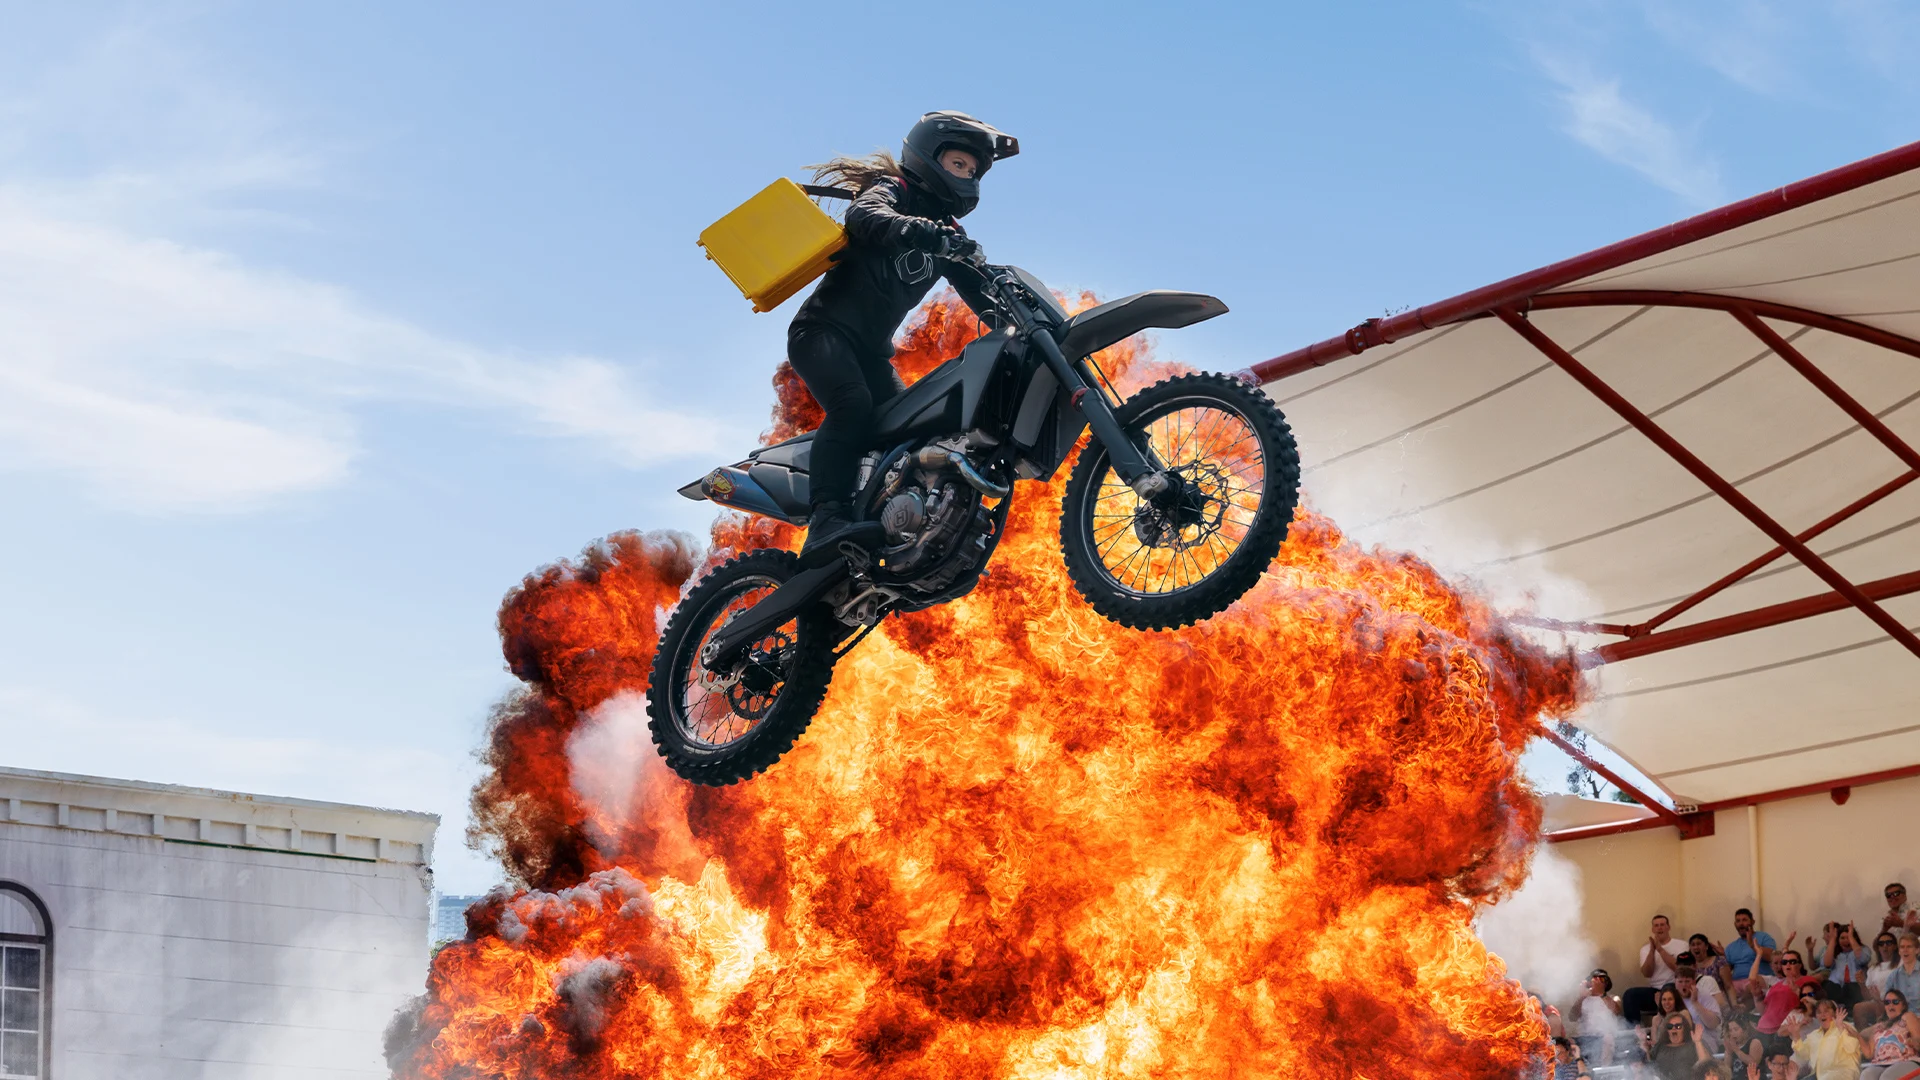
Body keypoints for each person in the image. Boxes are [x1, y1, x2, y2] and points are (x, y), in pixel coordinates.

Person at [786, 111, 1016, 565]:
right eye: (958, 164)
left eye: (973, 171)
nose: (967, 176)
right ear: (928, 156)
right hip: (822, 333)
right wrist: (917, 229)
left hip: (872, 353)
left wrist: (1014, 314)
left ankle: (885, 517)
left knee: (907, 428)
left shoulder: (950, 234)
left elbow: (980, 294)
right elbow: (864, 215)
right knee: (851, 406)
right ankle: (826, 519)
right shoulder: (898, 192)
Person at [1785, 999, 1862, 1080]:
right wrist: (1796, 1035)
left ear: (1834, 1013)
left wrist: (1841, 1029)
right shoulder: (1814, 1035)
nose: (1822, 1015)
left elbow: (1852, 1048)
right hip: (1820, 1076)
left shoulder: (1846, 1026)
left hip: (1844, 1075)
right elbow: (1803, 1055)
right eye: (1819, 1012)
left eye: (1826, 1011)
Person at [1859, 988, 1920, 1080]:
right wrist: (1854, 1033)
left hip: (1906, 1060)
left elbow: (1918, 1040)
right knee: (1866, 1075)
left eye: (1895, 1002)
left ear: (1903, 1005)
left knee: (1886, 1077)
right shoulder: (1879, 1025)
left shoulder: (1908, 1016)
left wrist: (1913, 1042)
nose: (1891, 1005)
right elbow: (1865, 1040)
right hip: (1880, 1063)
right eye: (1887, 1002)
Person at [1577, 968, 1626, 1065]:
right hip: (1587, 1037)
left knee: (1608, 1039)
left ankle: (1604, 1072)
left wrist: (1601, 994)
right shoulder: (1584, 1000)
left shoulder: (1613, 998)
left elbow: (1616, 1010)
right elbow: (1573, 1017)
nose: (1599, 982)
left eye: (1602, 980)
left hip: (1605, 1036)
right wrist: (1581, 998)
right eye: (1595, 979)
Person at [1647, 1010, 1711, 1080]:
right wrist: (1645, 1048)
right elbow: (1649, 1065)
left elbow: (1706, 1066)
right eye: (1670, 1026)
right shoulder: (1660, 1046)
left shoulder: (1693, 1044)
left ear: (1684, 1028)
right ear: (1667, 1030)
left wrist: (1698, 1042)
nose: (1673, 1028)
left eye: (1678, 1026)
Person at [1762, 953, 1814, 1034]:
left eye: (1792, 962)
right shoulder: (1775, 986)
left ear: (1799, 965)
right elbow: (1765, 1008)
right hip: (1766, 1026)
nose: (1788, 965)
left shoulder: (1807, 981)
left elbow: (1811, 1004)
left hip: (1787, 1026)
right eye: (1784, 962)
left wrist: (1797, 992)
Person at [1678, 966, 1726, 1051]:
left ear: (1693, 982)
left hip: (1706, 1040)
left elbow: (1713, 1024)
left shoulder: (1705, 996)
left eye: (1687, 981)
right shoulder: (1672, 998)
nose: (1683, 985)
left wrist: (1695, 1002)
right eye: (1680, 981)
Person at [1829, 923, 1874, 1011]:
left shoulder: (1863, 949)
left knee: (1850, 987)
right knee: (1829, 986)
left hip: (1855, 988)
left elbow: (1863, 959)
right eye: (1842, 938)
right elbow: (1826, 963)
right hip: (1838, 988)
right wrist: (1832, 939)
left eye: (1848, 937)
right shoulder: (1836, 953)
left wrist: (1851, 938)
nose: (1846, 941)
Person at [1862, 934, 1903, 1026]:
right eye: (1881, 943)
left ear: (1895, 946)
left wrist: (1906, 927)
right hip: (1876, 1002)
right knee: (1859, 1007)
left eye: (1888, 943)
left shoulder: (1901, 963)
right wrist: (1861, 983)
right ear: (1878, 948)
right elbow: (1867, 997)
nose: (1885, 946)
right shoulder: (1873, 968)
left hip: (1895, 1002)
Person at [1727, 1015, 1769, 1079]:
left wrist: (1736, 1050)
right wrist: (1729, 1052)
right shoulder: (1732, 1045)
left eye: (1736, 1029)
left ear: (1744, 1030)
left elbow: (1753, 1064)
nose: (1733, 1033)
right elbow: (1726, 1068)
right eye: (1730, 1030)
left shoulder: (1754, 1042)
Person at [1888, 936, 1920, 1009]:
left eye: (1909, 947)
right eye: (1902, 947)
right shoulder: (1893, 976)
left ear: (1917, 950)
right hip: (1900, 1016)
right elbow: (1888, 1001)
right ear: (1899, 951)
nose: (1905, 950)